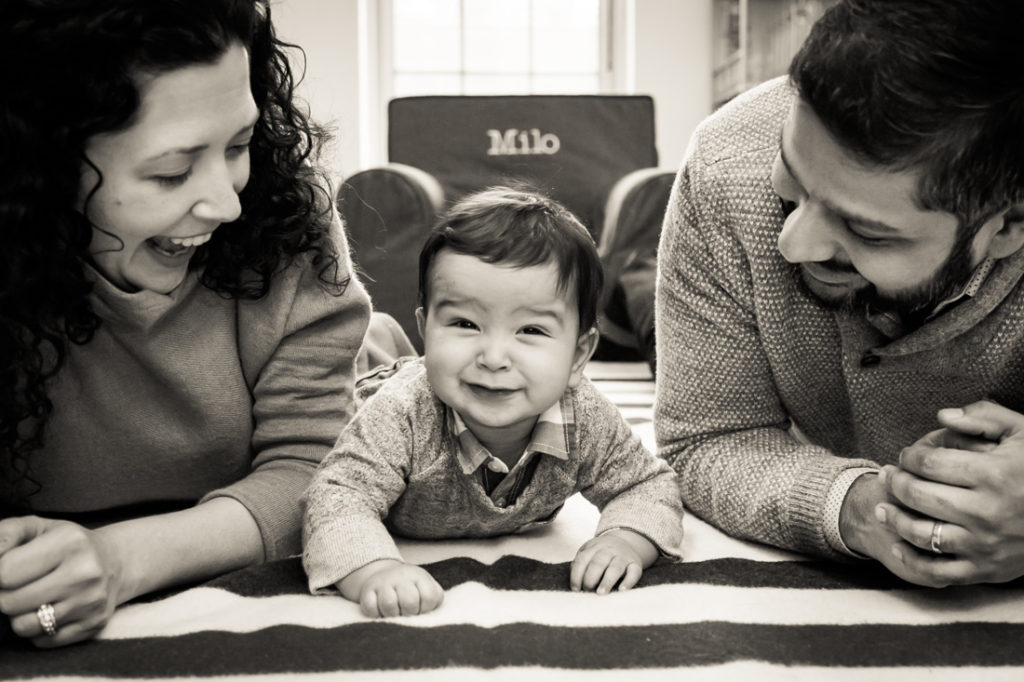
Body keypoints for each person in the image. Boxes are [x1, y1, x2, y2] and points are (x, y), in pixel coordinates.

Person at [0, 0, 374, 647]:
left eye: (238, 145)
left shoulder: (286, 217)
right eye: (171, 171)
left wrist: (122, 560)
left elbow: (321, 469)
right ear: (39, 164)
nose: (227, 202)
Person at [655, 0, 1024, 588]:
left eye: (867, 230)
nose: (793, 244)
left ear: (1006, 227)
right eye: (791, 180)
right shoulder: (727, 164)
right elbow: (708, 437)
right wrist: (859, 508)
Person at [303, 187, 683, 618]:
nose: (495, 358)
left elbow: (647, 484)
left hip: (427, 369)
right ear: (427, 328)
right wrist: (373, 568)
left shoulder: (585, 417)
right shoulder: (401, 414)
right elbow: (337, 495)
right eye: (465, 323)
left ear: (578, 355)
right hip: (376, 389)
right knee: (357, 365)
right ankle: (379, 338)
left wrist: (625, 539)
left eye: (531, 331)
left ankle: (390, 338)